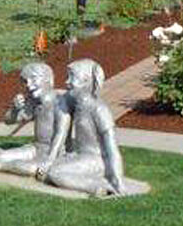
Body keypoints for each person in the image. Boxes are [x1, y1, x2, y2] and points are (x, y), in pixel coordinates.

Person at [38, 59, 126, 197]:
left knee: (55, 173)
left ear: (85, 81)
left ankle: (96, 187)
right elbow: (61, 124)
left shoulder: (99, 110)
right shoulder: (78, 105)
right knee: (47, 170)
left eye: (71, 77)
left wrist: (118, 180)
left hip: (97, 161)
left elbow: (112, 148)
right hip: (82, 156)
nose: (67, 82)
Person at [0, 63, 67, 176]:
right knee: (1, 157)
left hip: (54, 151)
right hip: (35, 148)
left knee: (31, 168)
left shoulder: (62, 100)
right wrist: (15, 109)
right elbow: (8, 121)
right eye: (26, 82)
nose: (29, 85)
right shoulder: (34, 102)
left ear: (48, 79)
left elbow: (63, 130)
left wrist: (51, 158)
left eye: (34, 79)